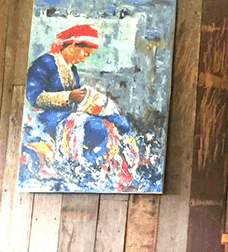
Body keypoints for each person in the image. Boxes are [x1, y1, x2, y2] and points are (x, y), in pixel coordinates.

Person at [22, 24, 140, 190]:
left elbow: (75, 99)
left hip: (70, 112)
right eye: (85, 53)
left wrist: (88, 99)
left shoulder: (73, 69)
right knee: (96, 126)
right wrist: (68, 96)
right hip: (47, 116)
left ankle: (118, 172)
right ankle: (87, 170)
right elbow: (33, 97)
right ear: (72, 46)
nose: (84, 58)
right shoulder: (45, 63)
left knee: (121, 122)